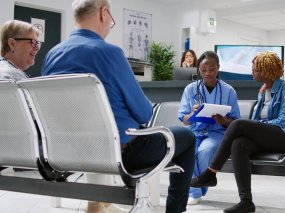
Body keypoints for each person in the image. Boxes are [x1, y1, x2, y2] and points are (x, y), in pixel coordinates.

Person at [41, 0, 195, 213]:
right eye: (111, 20)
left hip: (68, 151)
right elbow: (144, 113)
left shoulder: (52, 55)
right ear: (104, 13)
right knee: (187, 137)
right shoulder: (109, 53)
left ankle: (99, 203)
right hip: (119, 154)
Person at [191, 51, 285, 213]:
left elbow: (284, 122)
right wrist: (255, 125)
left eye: (255, 70)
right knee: (239, 144)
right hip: (270, 137)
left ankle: (211, 172)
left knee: (239, 124)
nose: (252, 72)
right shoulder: (262, 91)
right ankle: (246, 201)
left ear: (266, 70)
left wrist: (255, 125)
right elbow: (256, 123)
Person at [178, 51, 240, 205]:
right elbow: (184, 120)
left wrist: (223, 120)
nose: (207, 73)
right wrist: (192, 114)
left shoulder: (228, 91)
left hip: (217, 133)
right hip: (194, 131)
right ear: (198, 69)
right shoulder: (190, 89)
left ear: (218, 68)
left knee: (204, 151)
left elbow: (235, 122)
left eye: (211, 69)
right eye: (203, 70)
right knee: (188, 151)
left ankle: (198, 188)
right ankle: (196, 191)